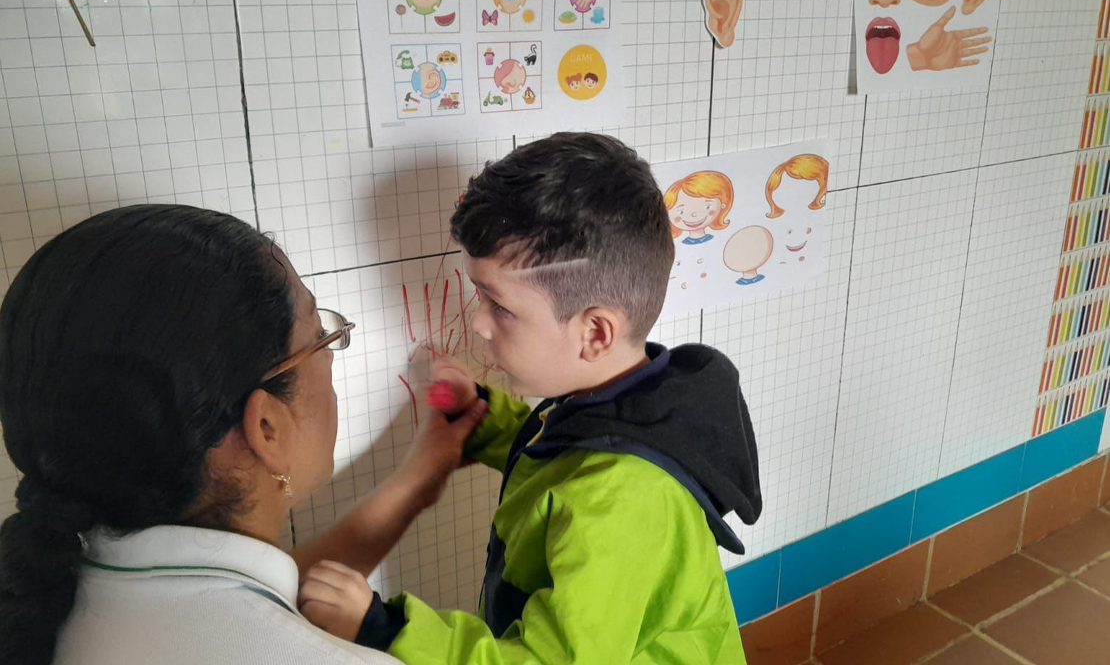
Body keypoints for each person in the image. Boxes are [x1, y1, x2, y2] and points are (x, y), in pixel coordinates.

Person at [300, 132, 763, 664]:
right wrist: (481, 415)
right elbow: (558, 453)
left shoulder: (623, 502)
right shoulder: (618, 399)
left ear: (595, 334)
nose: (477, 323)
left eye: (498, 306)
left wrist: (383, 630)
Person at [0, 204, 487, 665]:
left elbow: (256, 596)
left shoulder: (55, 589)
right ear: (266, 428)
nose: (331, 353)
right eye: (320, 335)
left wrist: (420, 476)